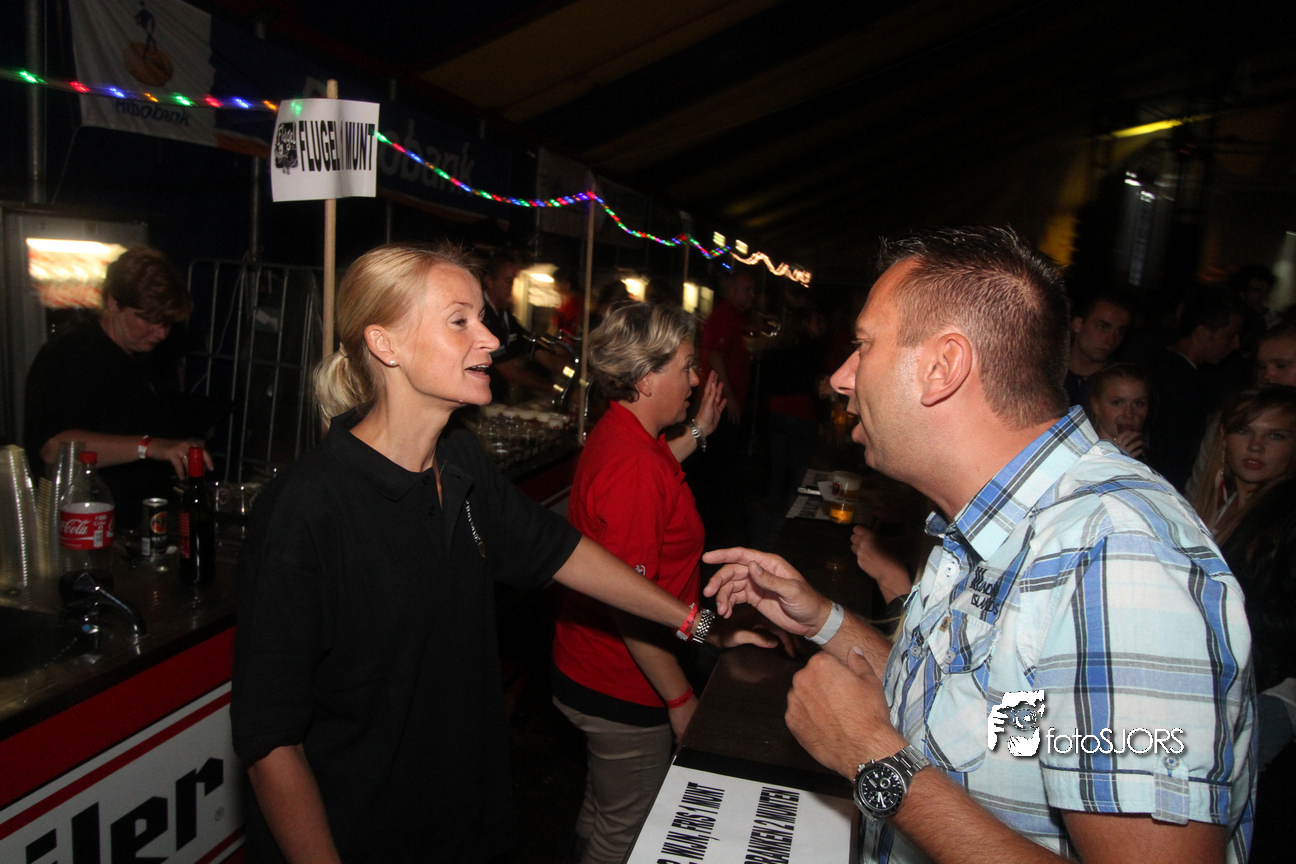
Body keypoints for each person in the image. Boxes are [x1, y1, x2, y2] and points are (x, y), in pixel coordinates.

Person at [702, 227, 1254, 864]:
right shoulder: (994, 521)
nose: (842, 377)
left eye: (864, 346)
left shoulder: (1118, 560)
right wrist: (825, 620)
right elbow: (981, 711)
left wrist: (873, 759)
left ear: (944, 367)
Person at [230, 242, 727, 864]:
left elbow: (562, 551)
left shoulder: (459, 460)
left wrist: (699, 625)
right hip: (362, 831)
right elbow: (270, 743)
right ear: (385, 345)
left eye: (483, 319)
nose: (491, 339)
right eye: (460, 321)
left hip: (465, 815)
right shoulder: (306, 509)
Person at [551, 302, 785, 864]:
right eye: (686, 366)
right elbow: (630, 607)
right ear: (646, 378)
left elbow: (654, 469)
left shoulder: (622, 432)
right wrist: (680, 697)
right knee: (626, 835)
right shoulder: (633, 468)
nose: (697, 378)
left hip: (584, 663)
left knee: (602, 807)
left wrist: (700, 431)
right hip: (625, 682)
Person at [23, 245, 212, 529]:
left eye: (166, 323)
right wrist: (148, 447)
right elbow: (53, 447)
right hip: (86, 528)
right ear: (113, 302)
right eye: (147, 320)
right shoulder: (70, 354)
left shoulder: (140, 358)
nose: (161, 333)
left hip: (136, 525)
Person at [1141, 285, 1245, 490]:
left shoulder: (1158, 363)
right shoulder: (1181, 384)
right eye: (1230, 336)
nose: (1236, 345)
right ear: (1202, 333)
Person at [1188, 386, 1296, 544]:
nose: (1255, 446)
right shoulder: (1209, 505)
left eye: (1275, 436)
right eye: (1243, 431)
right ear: (1224, 436)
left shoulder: (1287, 520)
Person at [479, 248, 554, 403]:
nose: (512, 286)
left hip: (496, 400)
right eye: (508, 280)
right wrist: (555, 389)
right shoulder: (483, 315)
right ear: (489, 282)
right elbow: (509, 371)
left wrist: (567, 369)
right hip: (478, 402)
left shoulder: (505, 316)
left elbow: (533, 347)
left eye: (514, 280)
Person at [1064, 291, 1134, 406]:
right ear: (1077, 325)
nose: (1111, 340)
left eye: (1120, 332)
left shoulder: (1121, 383)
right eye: (1102, 327)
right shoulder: (1044, 370)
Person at [1083, 362, 1151, 460]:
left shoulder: (1160, 461)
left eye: (1139, 403)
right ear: (1096, 406)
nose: (1129, 413)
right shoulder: (1080, 455)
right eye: (1117, 403)